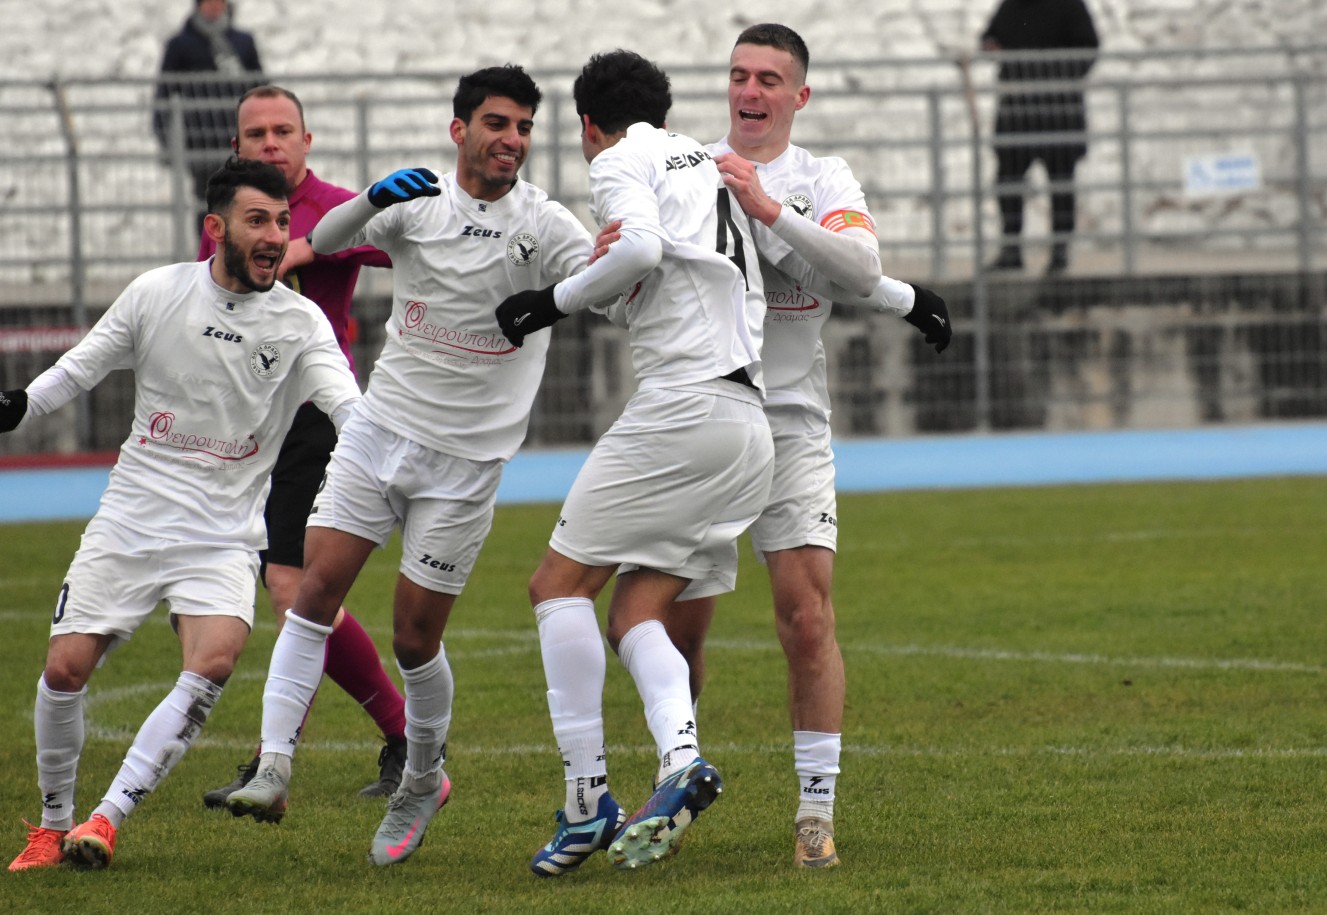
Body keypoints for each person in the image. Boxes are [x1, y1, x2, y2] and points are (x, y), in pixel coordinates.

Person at [222, 65, 603, 868]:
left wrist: (573, 287)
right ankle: (274, 764)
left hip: (465, 463)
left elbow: (605, 280)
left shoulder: (545, 223)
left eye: (524, 127)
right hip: (378, 432)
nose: (512, 139)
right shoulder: (418, 200)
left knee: (414, 636)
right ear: (460, 129)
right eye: (497, 123)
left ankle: (423, 777)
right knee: (311, 592)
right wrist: (371, 198)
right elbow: (325, 240)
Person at [3, 157, 360, 872]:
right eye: (257, 220)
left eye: (282, 221)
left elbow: (344, 401)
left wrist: (377, 453)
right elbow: (81, 367)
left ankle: (105, 820)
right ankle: (50, 825)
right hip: (132, 517)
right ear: (215, 228)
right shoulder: (157, 293)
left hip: (224, 533)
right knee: (64, 670)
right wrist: (18, 405)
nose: (274, 236)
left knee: (215, 660)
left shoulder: (300, 323)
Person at [662, 23, 953, 870]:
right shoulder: (686, 169)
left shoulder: (823, 178)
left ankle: (814, 814)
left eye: (768, 78)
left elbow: (856, 267)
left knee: (806, 615)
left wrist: (769, 208)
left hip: (791, 425)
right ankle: (675, 781)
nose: (750, 91)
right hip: (704, 421)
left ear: (800, 95)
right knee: (676, 629)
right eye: (739, 75)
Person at [494, 48, 775, 875]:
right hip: (746, 423)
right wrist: (603, 274)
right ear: (666, 109)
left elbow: (643, 251)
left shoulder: (620, 158)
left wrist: (549, 301)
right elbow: (659, 278)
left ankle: (587, 802)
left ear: (588, 124)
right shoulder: (708, 165)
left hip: (683, 409)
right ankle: (681, 757)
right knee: (634, 613)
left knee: (556, 586)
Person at [195, 85, 407, 809]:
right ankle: (396, 740)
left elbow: (401, 242)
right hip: (252, 423)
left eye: (283, 131)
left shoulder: (336, 206)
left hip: (318, 416)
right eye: (256, 133)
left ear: (306, 141)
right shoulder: (225, 217)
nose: (270, 143)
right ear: (236, 146)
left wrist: (314, 245)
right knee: (291, 591)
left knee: (293, 589)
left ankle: (279, 763)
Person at [980, 0, 1099, 274]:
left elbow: (1088, 48)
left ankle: (1059, 251)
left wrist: (1055, 78)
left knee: (1061, 184)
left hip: (1058, 113)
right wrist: (990, 46)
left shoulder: (1069, 5)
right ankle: (1011, 251)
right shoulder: (1013, 5)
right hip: (1017, 113)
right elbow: (990, 37)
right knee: (1008, 181)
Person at [153, 0, 264, 229]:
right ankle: (207, 249)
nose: (215, 6)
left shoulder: (242, 42)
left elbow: (260, 87)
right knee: (208, 203)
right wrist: (164, 136)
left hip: (241, 139)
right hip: (200, 141)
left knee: (244, 201)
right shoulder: (180, 45)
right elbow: (164, 92)